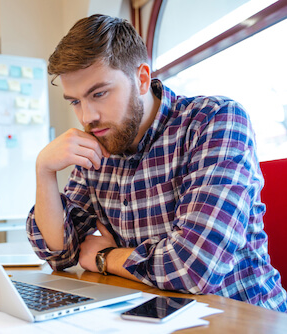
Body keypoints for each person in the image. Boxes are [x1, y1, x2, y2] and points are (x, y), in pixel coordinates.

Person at [26, 14, 287, 312]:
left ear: (141, 79)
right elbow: (60, 254)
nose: (87, 117)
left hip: (243, 317)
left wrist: (106, 257)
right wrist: (44, 170)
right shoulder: (99, 140)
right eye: (75, 101)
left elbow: (192, 269)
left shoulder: (214, 121)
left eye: (99, 94)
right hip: (153, 314)